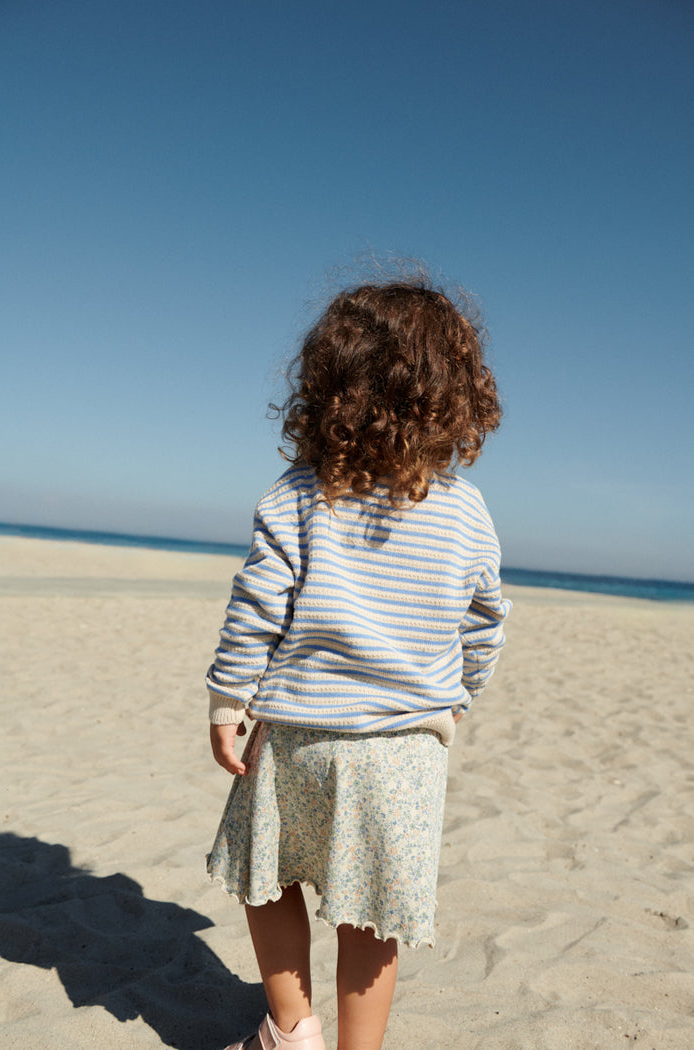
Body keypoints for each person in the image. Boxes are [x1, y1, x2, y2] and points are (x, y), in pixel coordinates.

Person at [206, 275, 511, 1050]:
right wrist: (456, 698)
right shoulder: (466, 511)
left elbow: (257, 605)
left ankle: (292, 1027)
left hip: (300, 736)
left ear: (330, 387)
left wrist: (229, 698)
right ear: (454, 398)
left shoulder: (300, 494)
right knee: (372, 913)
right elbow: (485, 624)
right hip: (405, 752)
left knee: (267, 876)